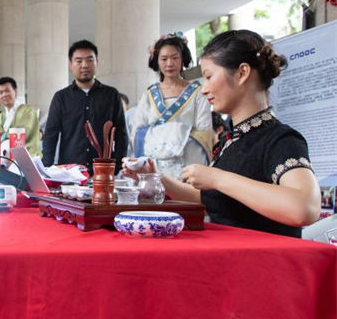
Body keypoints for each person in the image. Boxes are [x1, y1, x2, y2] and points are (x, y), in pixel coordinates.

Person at [124, 30, 320, 237]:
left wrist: (217, 178)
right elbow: (209, 199)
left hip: (265, 264)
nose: (204, 89)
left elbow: (305, 207)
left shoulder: (280, 139)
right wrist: (156, 179)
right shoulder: (231, 141)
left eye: (209, 77)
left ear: (242, 73)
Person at [130, 35, 212, 179]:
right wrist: (177, 132)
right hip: (155, 168)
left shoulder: (198, 92)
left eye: (175, 58)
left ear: (182, 59)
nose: (169, 63)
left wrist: (168, 134)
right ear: (157, 61)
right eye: (164, 59)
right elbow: (137, 133)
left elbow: (204, 131)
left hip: (187, 164)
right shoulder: (149, 95)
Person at [41, 41, 127, 170]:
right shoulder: (61, 97)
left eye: (89, 60)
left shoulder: (111, 95)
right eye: (79, 61)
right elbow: (50, 135)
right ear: (70, 64)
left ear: (96, 62)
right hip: (69, 171)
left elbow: (121, 134)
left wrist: (116, 167)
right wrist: (47, 168)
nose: (84, 65)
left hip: (102, 170)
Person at [0, 77, 42, 157]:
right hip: (6, 160)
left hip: (29, 159)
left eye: (7, 91)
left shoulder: (28, 111)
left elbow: (22, 135)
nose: (4, 95)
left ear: (15, 91)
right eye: (0, 92)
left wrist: (3, 138)